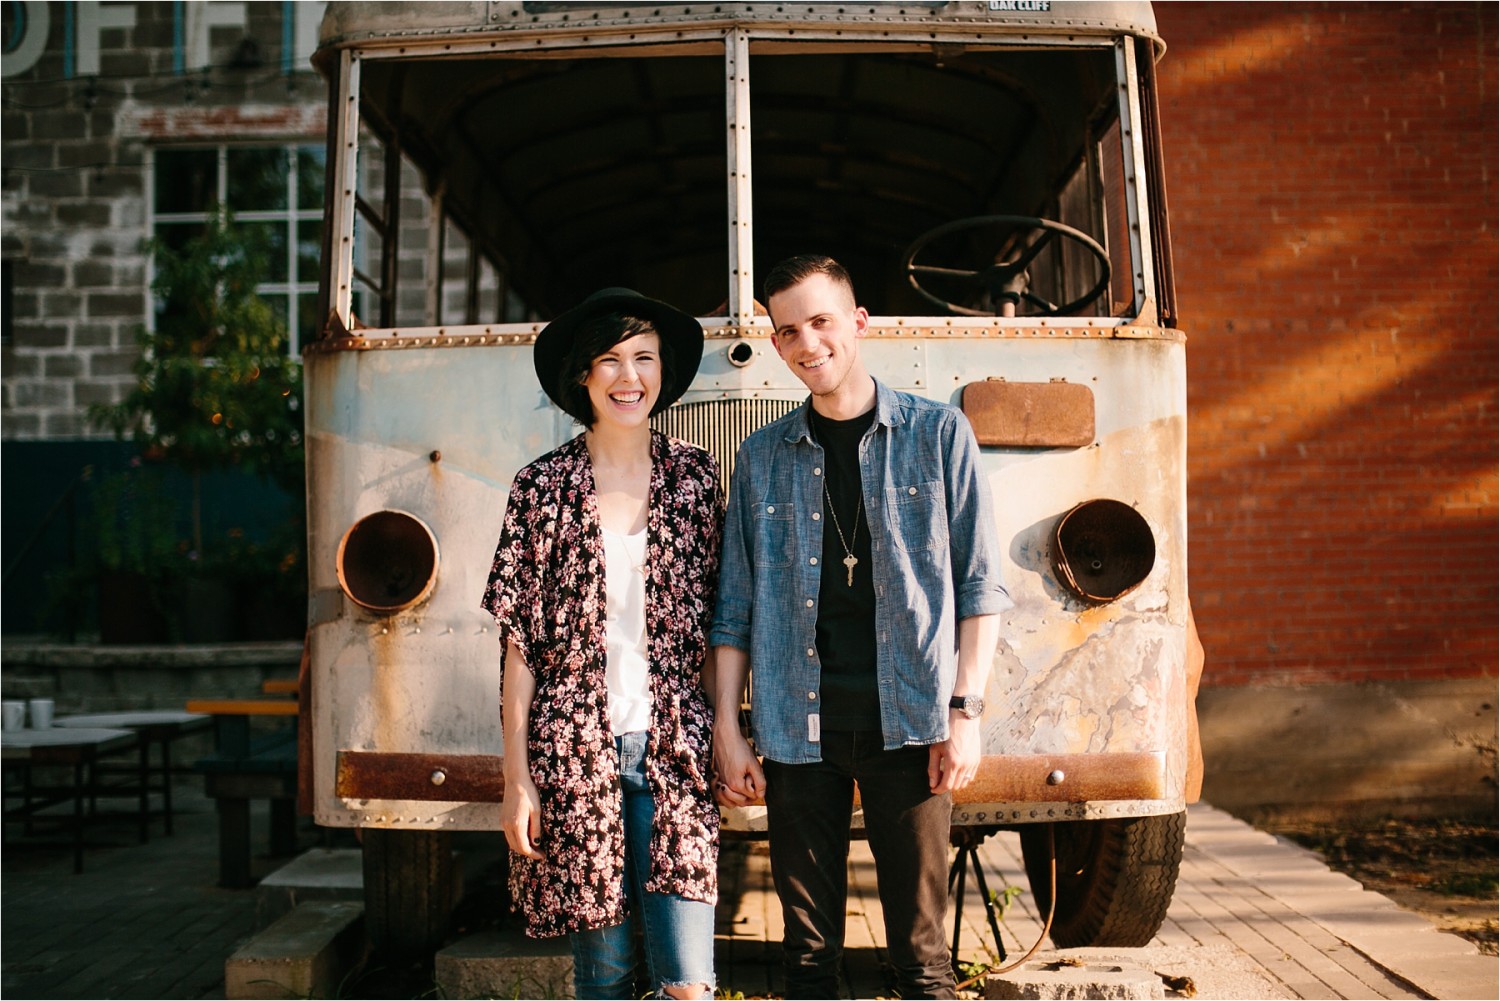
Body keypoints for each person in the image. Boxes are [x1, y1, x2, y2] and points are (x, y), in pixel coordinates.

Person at [710, 255, 1010, 999]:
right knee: (807, 960)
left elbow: (980, 586)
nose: (808, 343)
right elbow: (734, 607)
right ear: (776, 344)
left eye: (821, 321)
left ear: (859, 322)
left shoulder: (938, 434)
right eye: (789, 331)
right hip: (796, 729)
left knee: (922, 958)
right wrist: (728, 728)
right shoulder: (761, 457)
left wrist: (965, 713)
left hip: (910, 725)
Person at [481, 288, 722, 1000]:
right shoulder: (541, 487)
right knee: (607, 976)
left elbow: (722, 623)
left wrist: (729, 733)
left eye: (645, 357)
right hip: (572, 755)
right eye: (610, 360)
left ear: (663, 373)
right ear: (583, 375)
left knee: (688, 982)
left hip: (676, 749)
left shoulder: (695, 478)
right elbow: (520, 647)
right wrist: (516, 778)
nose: (629, 376)